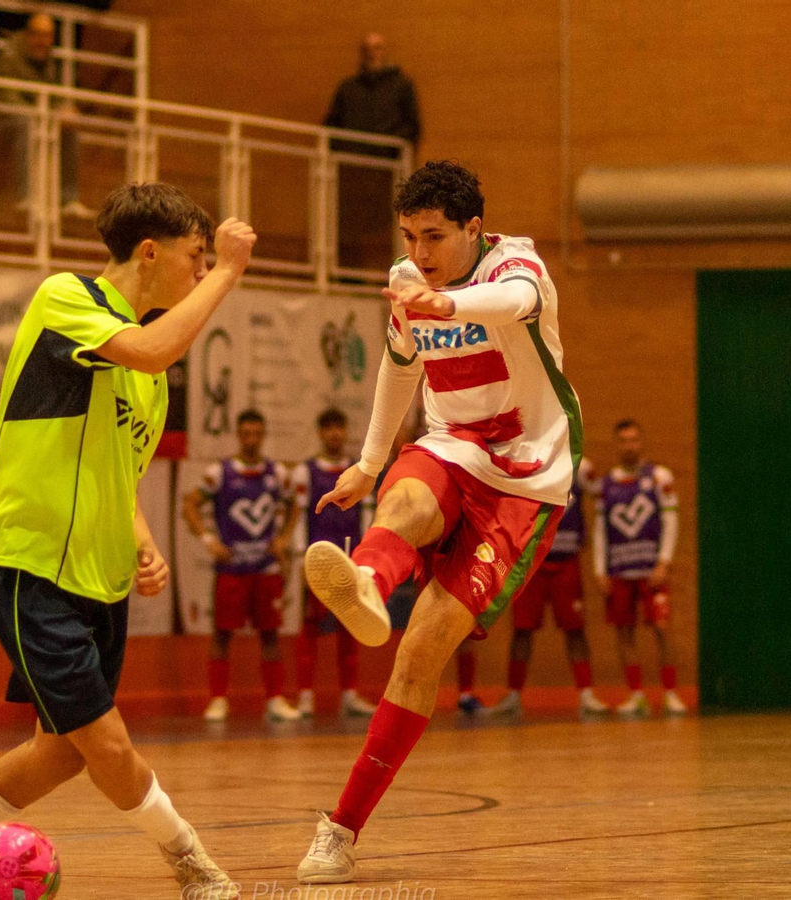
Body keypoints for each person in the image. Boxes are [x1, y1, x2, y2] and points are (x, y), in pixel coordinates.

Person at [0, 183, 255, 900]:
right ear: (149, 252)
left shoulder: (151, 382)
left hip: (99, 576)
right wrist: (233, 274)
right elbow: (149, 349)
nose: (201, 272)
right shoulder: (67, 300)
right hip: (30, 561)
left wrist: (142, 539)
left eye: (211, 262)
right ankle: (192, 866)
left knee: (62, 753)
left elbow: (120, 472)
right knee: (107, 742)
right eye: (196, 258)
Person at [295, 160, 581, 883]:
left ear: (473, 228)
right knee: (404, 500)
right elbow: (399, 367)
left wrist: (443, 306)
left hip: (524, 477)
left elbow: (511, 299)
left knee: (420, 652)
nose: (419, 254)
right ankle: (364, 580)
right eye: (409, 237)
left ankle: (342, 828)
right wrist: (365, 461)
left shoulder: (518, 264)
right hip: (451, 446)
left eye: (434, 237)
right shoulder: (406, 280)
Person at [184, 409, 299, 723]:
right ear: (238, 434)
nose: (251, 440)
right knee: (222, 633)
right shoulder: (219, 473)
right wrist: (209, 540)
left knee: (271, 634)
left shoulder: (277, 474)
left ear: (263, 435)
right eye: (245, 434)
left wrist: (284, 538)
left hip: (265, 568)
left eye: (256, 434)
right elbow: (190, 504)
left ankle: (275, 699)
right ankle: (218, 700)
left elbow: (294, 506)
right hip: (232, 569)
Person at [487, 457, 611, 717]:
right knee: (522, 629)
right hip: (530, 561)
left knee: (575, 629)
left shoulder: (581, 465)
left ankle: (587, 693)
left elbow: (602, 496)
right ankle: (513, 695)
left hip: (566, 560)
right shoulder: (524, 462)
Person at [289, 408, 378, 718]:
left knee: (349, 629)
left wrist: (365, 557)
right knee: (309, 628)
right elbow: (300, 518)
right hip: (318, 563)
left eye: (339, 427)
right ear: (319, 433)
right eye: (328, 428)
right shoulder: (305, 472)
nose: (334, 434)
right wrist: (302, 558)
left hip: (350, 559)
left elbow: (367, 516)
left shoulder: (360, 471)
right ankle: (304, 698)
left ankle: (349, 695)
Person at [596, 419, 686, 717]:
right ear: (616, 444)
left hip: (651, 569)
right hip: (620, 570)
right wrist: (600, 569)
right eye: (623, 440)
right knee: (624, 633)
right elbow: (600, 529)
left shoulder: (659, 477)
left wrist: (665, 561)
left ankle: (671, 693)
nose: (629, 445)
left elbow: (671, 520)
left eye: (634, 439)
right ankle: (637, 695)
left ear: (642, 442)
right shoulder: (606, 484)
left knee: (661, 628)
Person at [323, 33, 421, 272]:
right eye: (368, 49)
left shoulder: (401, 86)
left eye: (378, 48)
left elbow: (412, 128)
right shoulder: (348, 89)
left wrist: (386, 148)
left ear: (385, 51)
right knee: (349, 226)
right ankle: (348, 277)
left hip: (387, 175)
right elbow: (330, 129)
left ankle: (393, 275)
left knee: (393, 226)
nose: (373, 53)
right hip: (353, 174)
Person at [0, 12, 88, 216]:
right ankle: (26, 197)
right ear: (27, 35)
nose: (42, 41)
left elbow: (53, 98)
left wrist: (65, 111)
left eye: (47, 35)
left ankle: (68, 199)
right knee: (26, 124)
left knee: (68, 129)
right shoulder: (9, 59)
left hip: (28, 121)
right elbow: (8, 102)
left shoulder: (47, 64)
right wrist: (49, 116)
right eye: (37, 34)